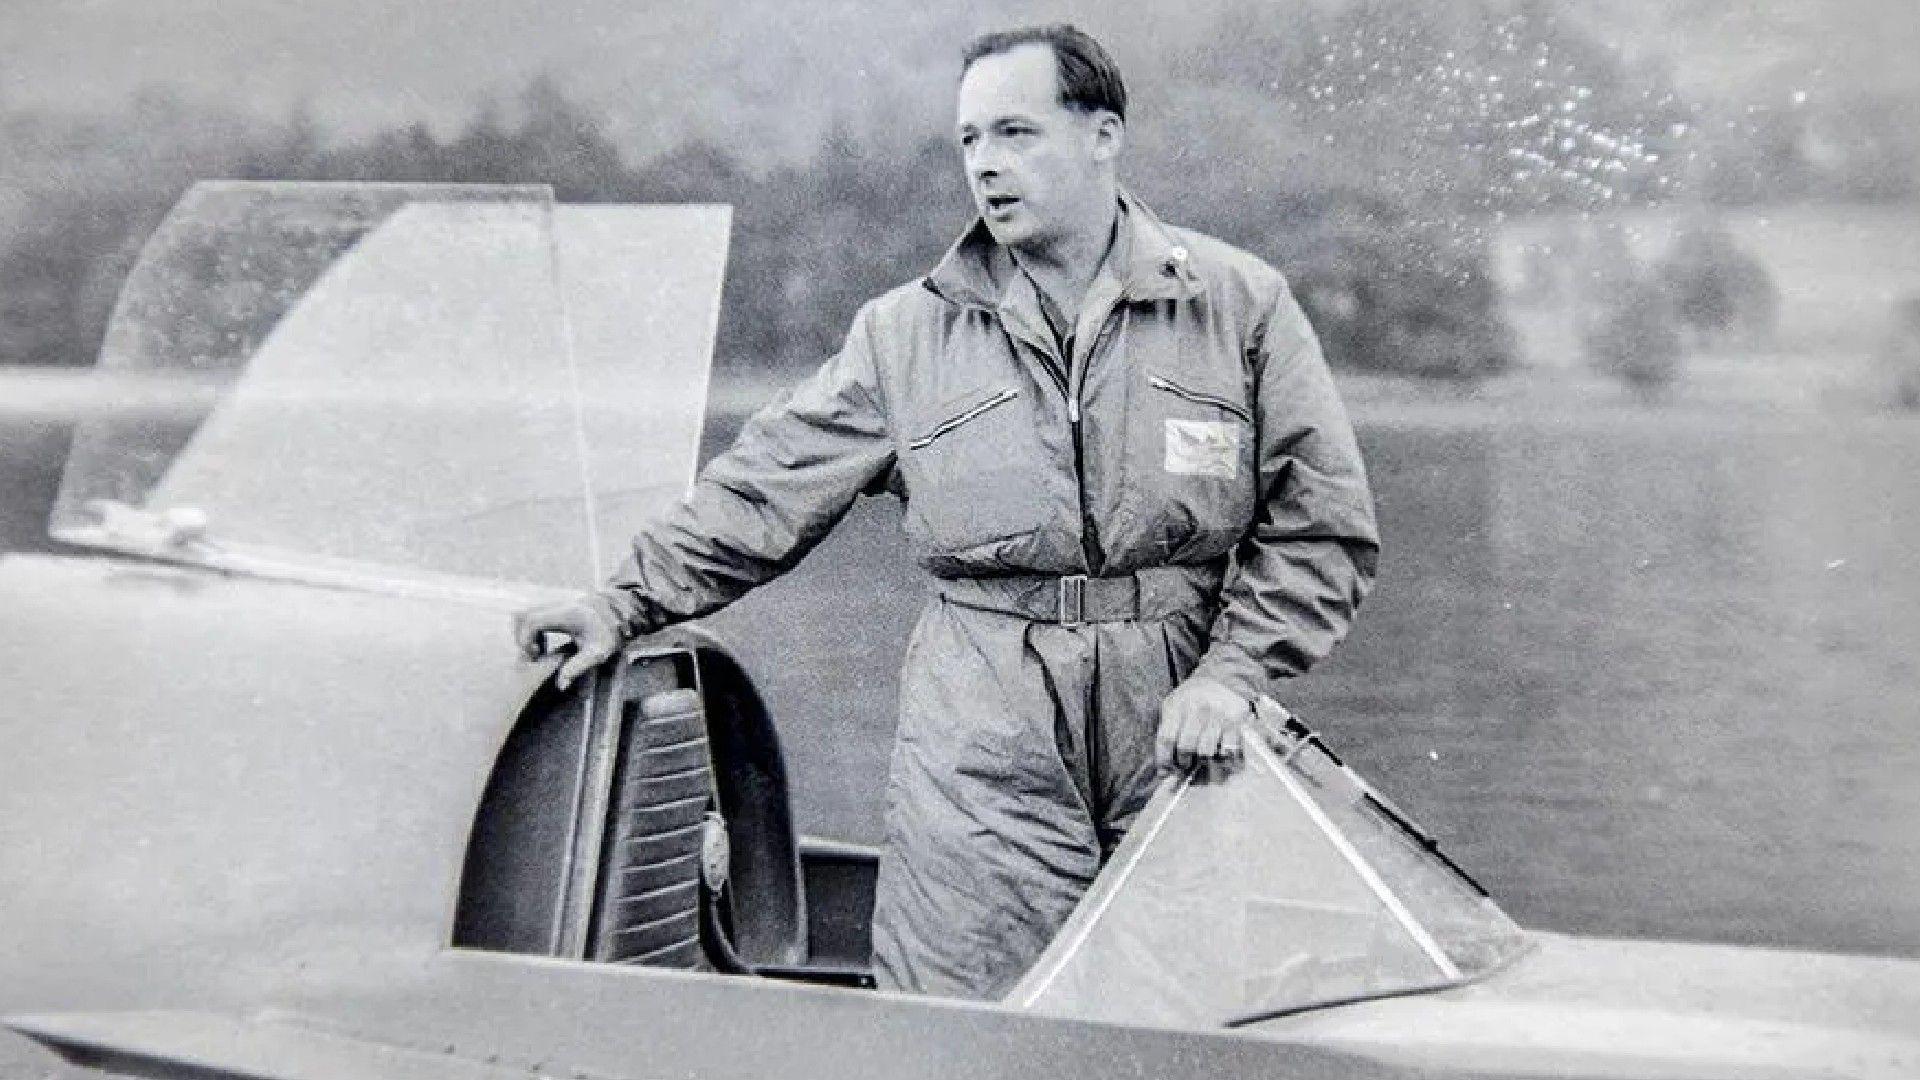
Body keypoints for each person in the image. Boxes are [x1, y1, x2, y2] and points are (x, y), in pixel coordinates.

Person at [514, 24, 1379, 1000]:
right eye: (970, 141)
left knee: (1180, 1027)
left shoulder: (1237, 306)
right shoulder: (904, 336)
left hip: (1180, 737)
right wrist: (620, 604)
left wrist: (1231, 675)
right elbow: (762, 491)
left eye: (1015, 134)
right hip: (981, 744)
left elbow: (1323, 528)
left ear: (1103, 136)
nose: (987, 167)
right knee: (960, 1022)